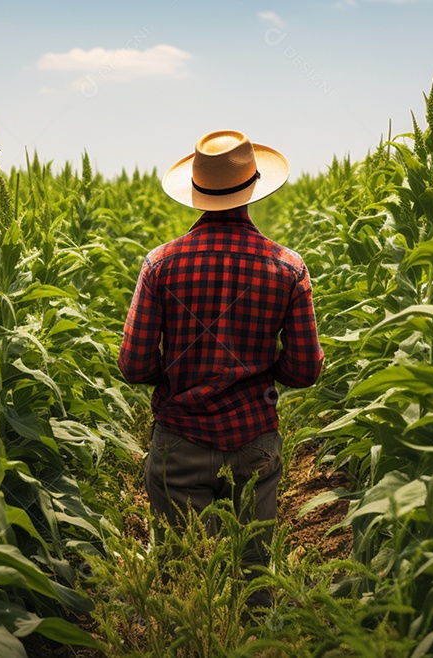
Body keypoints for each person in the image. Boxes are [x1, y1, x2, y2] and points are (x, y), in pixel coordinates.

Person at [117, 130, 324, 606]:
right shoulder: (288, 268)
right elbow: (305, 371)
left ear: (198, 194)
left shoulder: (160, 265)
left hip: (180, 443)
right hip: (255, 443)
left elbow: (133, 364)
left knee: (182, 575)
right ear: (252, 189)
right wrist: (258, 367)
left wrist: (175, 371)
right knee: (252, 577)